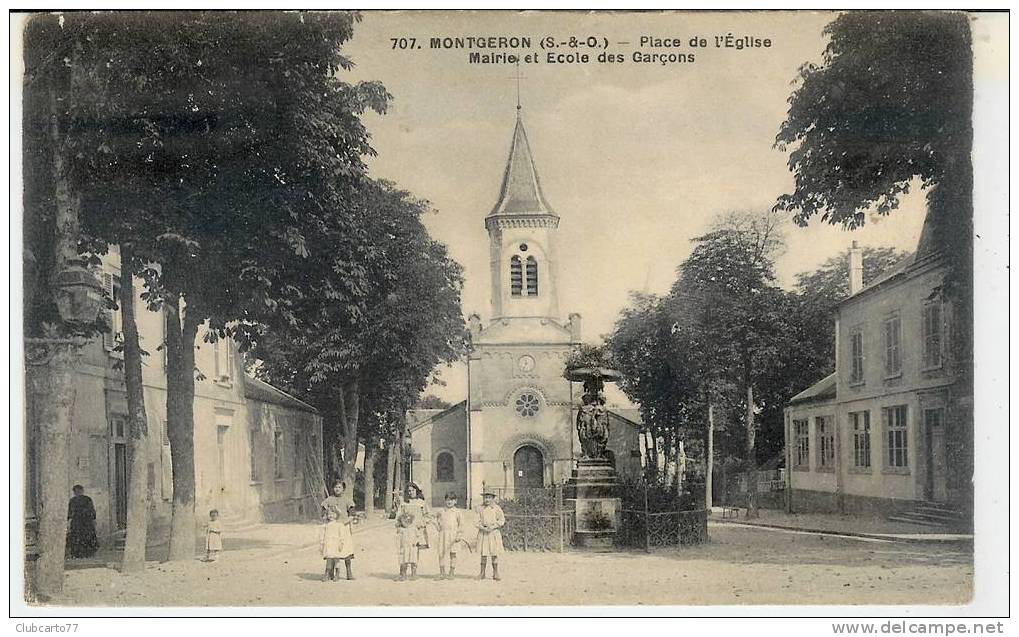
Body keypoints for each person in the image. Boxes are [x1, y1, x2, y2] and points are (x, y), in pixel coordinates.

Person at [319, 481, 356, 579]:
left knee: (346, 550)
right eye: (335, 487)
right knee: (331, 549)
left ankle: (349, 572)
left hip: (343, 527)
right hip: (332, 528)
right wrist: (326, 517)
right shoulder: (329, 499)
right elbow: (323, 510)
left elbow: (352, 513)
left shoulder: (347, 500)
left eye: (339, 487)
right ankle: (328, 572)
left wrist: (347, 521)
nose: (337, 489)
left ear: (343, 489)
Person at [476, 491, 505, 581]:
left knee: (494, 553)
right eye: (485, 497)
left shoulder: (496, 508)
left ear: (493, 498)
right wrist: (482, 527)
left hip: (493, 533)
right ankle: (482, 573)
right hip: (483, 533)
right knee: (483, 553)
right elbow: (476, 521)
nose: (487, 499)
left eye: (489, 497)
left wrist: (493, 526)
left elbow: (501, 520)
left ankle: (495, 573)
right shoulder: (480, 508)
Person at [436, 492, 465, 580]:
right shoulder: (441, 511)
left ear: (455, 501)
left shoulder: (457, 512)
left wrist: (459, 535)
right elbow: (437, 521)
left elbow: (461, 524)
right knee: (441, 553)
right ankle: (442, 572)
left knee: (453, 554)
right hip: (443, 535)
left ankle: (451, 572)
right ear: (445, 500)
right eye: (447, 499)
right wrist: (437, 525)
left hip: (453, 536)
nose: (449, 502)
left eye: (452, 500)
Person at [66, 485, 98, 559]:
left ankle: (81, 553)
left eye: (78, 491)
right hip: (82, 522)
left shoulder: (85, 499)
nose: (77, 493)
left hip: (83, 522)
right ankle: (84, 553)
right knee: (82, 537)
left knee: (81, 538)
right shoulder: (76, 500)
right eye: (76, 491)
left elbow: (69, 513)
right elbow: (92, 511)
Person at [320, 509, 345, 581]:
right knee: (329, 559)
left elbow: (342, 535)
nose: (331, 516)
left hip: (336, 544)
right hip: (328, 543)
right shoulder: (326, 526)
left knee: (336, 559)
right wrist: (322, 543)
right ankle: (327, 573)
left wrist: (341, 543)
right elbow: (323, 535)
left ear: (337, 515)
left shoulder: (339, 525)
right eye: (329, 514)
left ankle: (337, 574)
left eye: (333, 514)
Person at [395, 509, 418, 581]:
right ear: (401, 521)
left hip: (412, 547)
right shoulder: (401, 530)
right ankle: (403, 574)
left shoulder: (413, 528)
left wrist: (416, 542)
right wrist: (399, 547)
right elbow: (398, 539)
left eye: (408, 521)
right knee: (403, 561)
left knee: (413, 560)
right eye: (404, 521)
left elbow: (417, 536)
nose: (406, 523)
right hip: (404, 548)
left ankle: (413, 574)